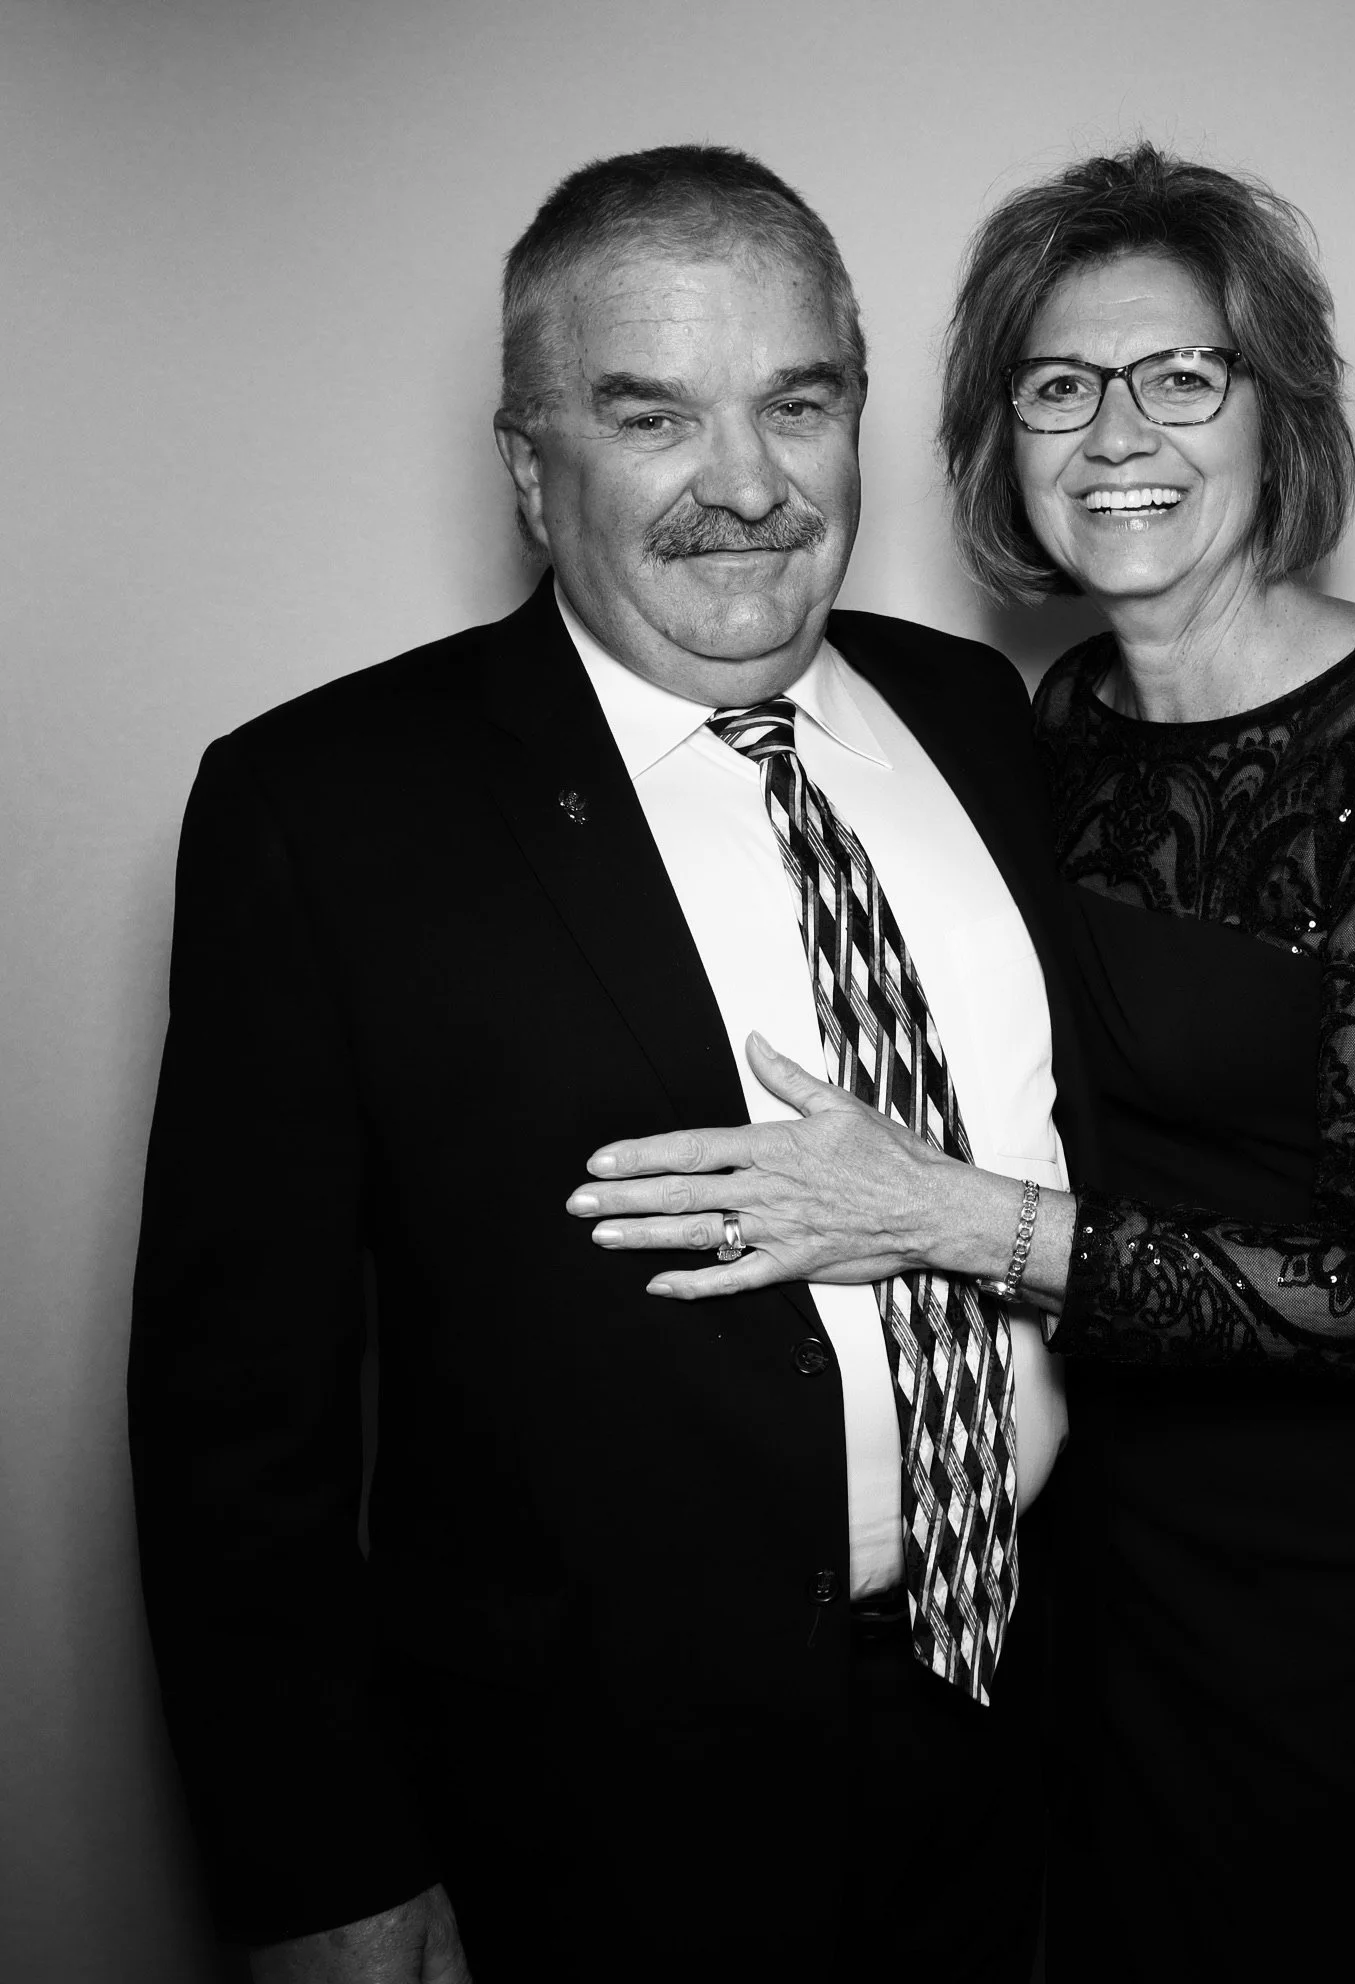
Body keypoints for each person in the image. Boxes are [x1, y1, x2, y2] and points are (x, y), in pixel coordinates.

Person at [570, 144, 1355, 1980]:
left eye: (1181, 375)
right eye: (1058, 386)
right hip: (1093, 1527)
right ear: (1000, 438)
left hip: (1342, 1557)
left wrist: (941, 1217)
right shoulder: (1054, 724)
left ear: (1278, 414)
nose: (1121, 433)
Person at [127, 144, 1094, 1982]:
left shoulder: (978, 717)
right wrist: (325, 1865)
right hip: (597, 1809)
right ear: (527, 465)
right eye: (654, 418)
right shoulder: (324, 810)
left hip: (1011, 1713)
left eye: (797, 404)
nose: (747, 487)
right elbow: (232, 1424)